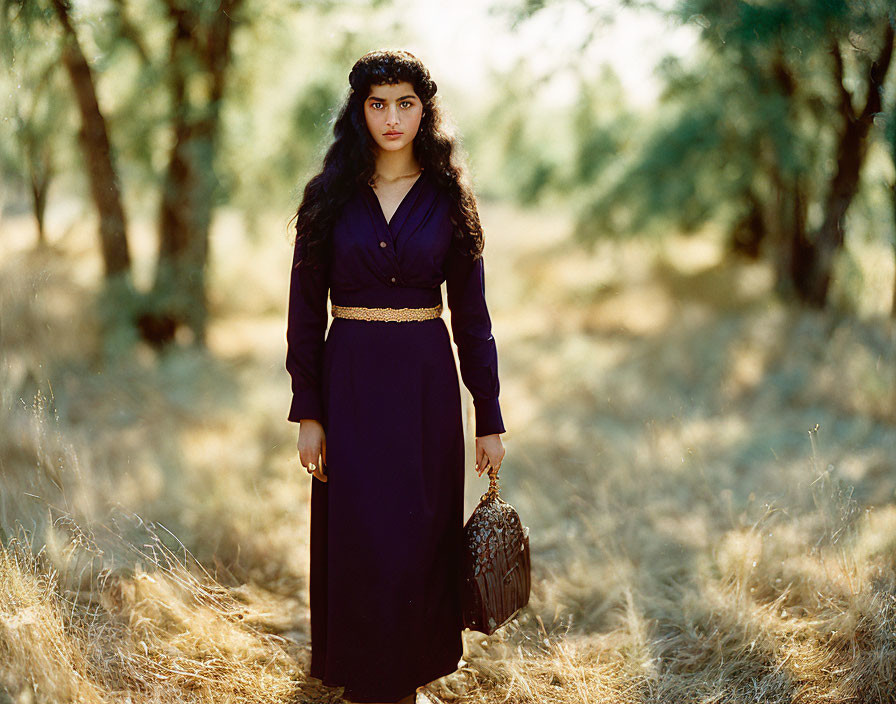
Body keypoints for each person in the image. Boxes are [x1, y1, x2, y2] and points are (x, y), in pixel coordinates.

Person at [285, 48, 507, 704]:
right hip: (350, 380)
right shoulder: (328, 196)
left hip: (425, 388)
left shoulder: (448, 197)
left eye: (405, 102)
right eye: (377, 103)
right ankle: (364, 680)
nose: (391, 117)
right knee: (359, 535)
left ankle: (407, 677)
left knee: (420, 532)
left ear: (425, 109)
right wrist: (309, 412)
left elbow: (474, 317)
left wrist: (488, 415)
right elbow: (303, 313)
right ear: (359, 111)